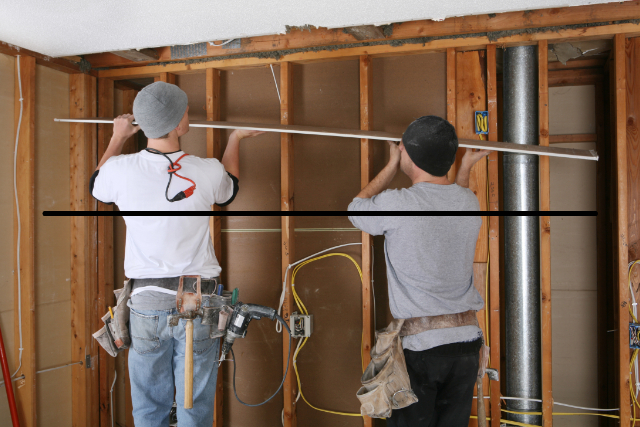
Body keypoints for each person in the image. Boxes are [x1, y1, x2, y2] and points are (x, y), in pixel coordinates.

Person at [90, 81, 263, 427]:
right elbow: (229, 187)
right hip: (197, 300)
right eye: (185, 111)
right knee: (193, 408)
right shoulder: (205, 170)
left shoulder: (121, 171)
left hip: (146, 302)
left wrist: (118, 136)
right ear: (177, 123)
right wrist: (235, 139)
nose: (189, 115)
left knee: (149, 408)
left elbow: (97, 184)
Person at [347, 115, 490, 427]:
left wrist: (390, 165)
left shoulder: (397, 204)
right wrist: (464, 168)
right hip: (465, 346)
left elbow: (356, 211)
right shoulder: (468, 203)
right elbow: (450, 204)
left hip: (421, 351)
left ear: (408, 155)